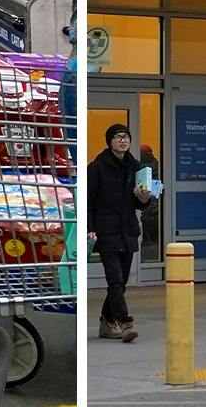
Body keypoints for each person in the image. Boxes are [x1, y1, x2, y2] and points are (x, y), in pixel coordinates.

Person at [86, 123, 154, 343]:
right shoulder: (97, 168)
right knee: (115, 280)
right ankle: (125, 322)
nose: (122, 140)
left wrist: (143, 197)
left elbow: (142, 203)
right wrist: (90, 228)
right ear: (110, 141)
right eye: (117, 137)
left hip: (128, 229)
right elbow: (88, 201)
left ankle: (107, 321)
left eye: (126, 137)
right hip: (106, 230)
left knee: (121, 282)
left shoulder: (137, 168)